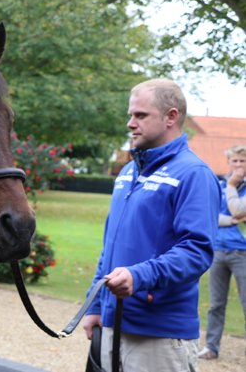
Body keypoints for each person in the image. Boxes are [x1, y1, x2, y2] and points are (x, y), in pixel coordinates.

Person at [82, 78, 220, 372]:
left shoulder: (193, 173)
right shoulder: (127, 172)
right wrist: (95, 305)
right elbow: (110, 247)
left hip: (160, 334)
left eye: (141, 115)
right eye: (130, 115)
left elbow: (197, 251)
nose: (130, 123)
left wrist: (139, 276)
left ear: (171, 116)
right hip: (112, 323)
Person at [198, 144, 246, 360]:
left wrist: (233, 186)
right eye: (235, 161)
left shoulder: (232, 186)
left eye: (242, 161)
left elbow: (238, 209)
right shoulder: (218, 185)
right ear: (228, 162)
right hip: (218, 251)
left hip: (242, 252)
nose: (238, 165)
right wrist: (233, 221)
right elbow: (210, 215)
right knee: (216, 303)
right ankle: (211, 346)